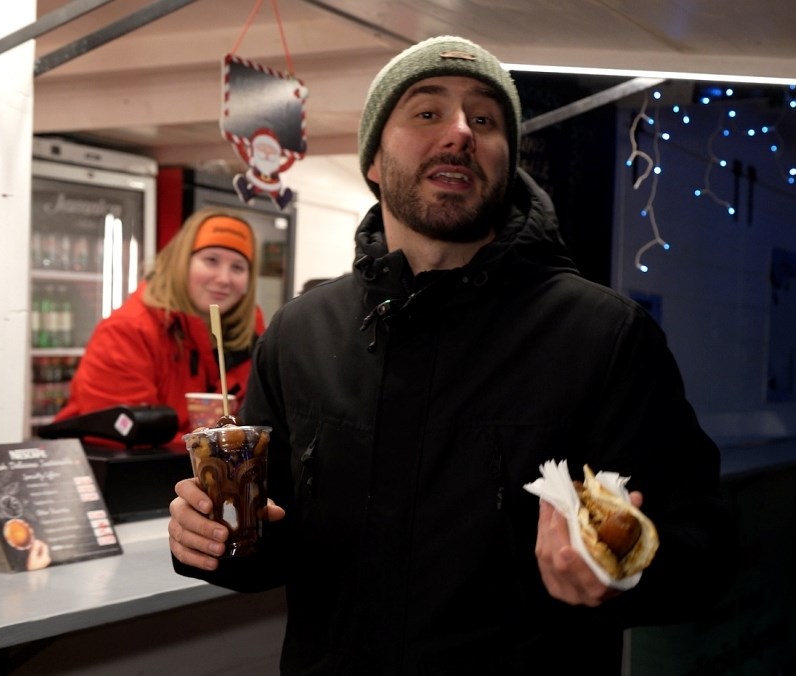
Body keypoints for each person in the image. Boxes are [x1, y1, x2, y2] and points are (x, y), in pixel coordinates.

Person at [168, 35, 737, 673]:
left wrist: (625, 569)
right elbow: (263, 540)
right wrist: (207, 539)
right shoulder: (300, 335)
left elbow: (706, 549)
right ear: (375, 160)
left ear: (508, 159)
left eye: (486, 119)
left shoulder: (605, 338)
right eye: (427, 111)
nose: (461, 132)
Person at [54, 207, 265, 450]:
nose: (224, 278)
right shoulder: (127, 332)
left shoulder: (253, 338)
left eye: (238, 267)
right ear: (180, 263)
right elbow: (125, 435)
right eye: (211, 260)